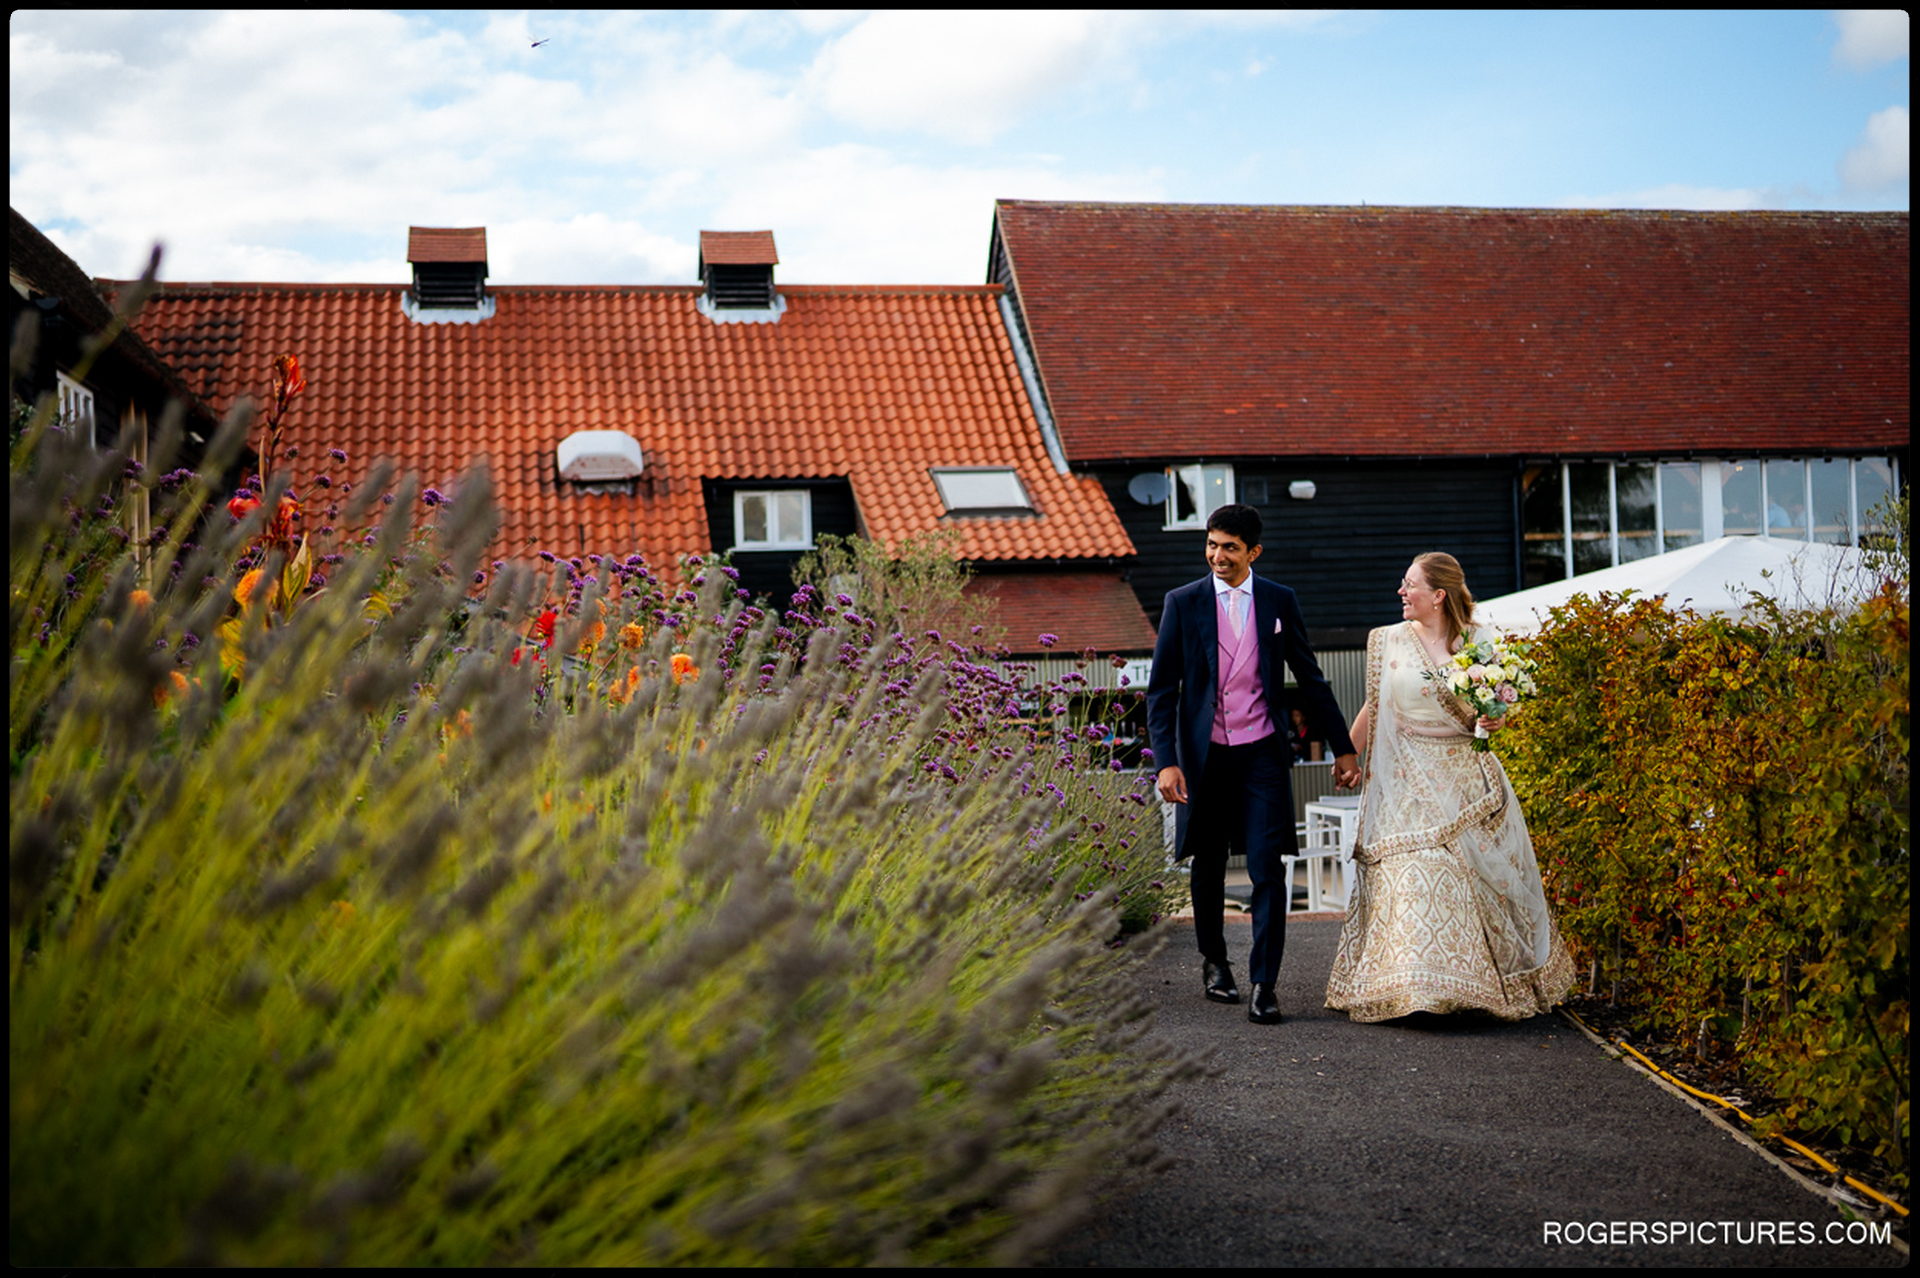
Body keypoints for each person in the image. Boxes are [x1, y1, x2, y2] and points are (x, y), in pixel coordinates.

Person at [1325, 552, 1574, 1022]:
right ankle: (1411, 986)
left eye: (1410, 585)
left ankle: (1468, 988)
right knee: (1414, 871)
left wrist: (1493, 718)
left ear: (1438, 595)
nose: (1401, 592)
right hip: (1405, 776)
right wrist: (1348, 753)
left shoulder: (1480, 642)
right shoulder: (1387, 640)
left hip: (1465, 777)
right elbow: (1374, 706)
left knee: (1472, 879)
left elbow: (1502, 704)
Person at [1147, 504, 1360, 1025]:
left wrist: (1343, 747)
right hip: (1205, 755)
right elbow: (1160, 693)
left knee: (1268, 865)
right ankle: (1215, 962)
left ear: (1253, 552)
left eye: (1230, 548)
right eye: (1212, 544)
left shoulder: (1279, 601)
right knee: (1210, 859)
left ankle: (1265, 983)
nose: (1217, 556)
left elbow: (1310, 679)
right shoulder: (1183, 602)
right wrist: (1167, 762)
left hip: (1263, 751)